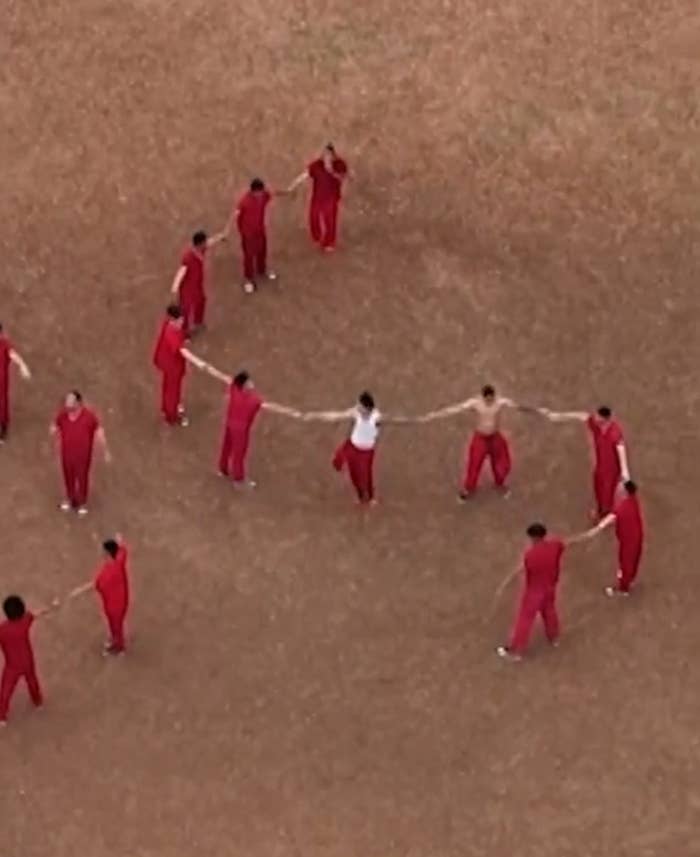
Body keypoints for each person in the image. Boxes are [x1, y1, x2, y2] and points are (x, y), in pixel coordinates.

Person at [196, 365, 301, 486]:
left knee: (226, 447)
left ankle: (222, 469)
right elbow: (271, 406)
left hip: (229, 424)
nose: (251, 382)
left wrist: (206, 368)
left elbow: (224, 377)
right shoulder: (253, 399)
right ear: (244, 385)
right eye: (249, 381)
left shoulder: (234, 389)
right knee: (239, 454)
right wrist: (292, 412)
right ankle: (238, 479)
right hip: (241, 430)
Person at [422, 385, 531, 499]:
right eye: (487, 399)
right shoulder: (475, 403)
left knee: (501, 463)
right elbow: (455, 409)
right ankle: (468, 489)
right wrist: (433, 415)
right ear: (483, 397)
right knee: (474, 464)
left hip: (494, 438)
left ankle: (500, 484)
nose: (489, 401)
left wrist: (543, 412)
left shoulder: (500, 402)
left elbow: (519, 407)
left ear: (494, 396)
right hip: (480, 439)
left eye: (491, 399)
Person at [303, 392, 413, 505]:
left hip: (366, 452)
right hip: (352, 447)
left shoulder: (377, 417)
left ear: (367, 408)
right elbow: (335, 415)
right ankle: (361, 495)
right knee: (353, 474)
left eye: (360, 406)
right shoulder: (355, 413)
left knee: (367, 475)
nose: (357, 408)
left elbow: (398, 421)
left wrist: (420, 420)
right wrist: (313, 415)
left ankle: (371, 498)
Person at [540, 405, 630, 519]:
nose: (595, 418)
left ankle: (605, 513)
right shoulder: (596, 424)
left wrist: (625, 472)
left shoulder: (614, 432)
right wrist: (559, 416)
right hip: (600, 465)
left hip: (611, 469)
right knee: (598, 487)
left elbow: (620, 448)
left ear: (604, 419)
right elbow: (581, 416)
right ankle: (604, 510)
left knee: (607, 491)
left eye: (598, 417)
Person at [495, 523, 567, 661]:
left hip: (534, 591)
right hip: (550, 586)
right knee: (550, 611)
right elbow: (562, 546)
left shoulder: (530, 555)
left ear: (533, 537)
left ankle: (516, 650)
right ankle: (554, 637)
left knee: (525, 619)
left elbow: (526, 569)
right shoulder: (555, 545)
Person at [574, 480, 644, 596]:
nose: (618, 490)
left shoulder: (622, 508)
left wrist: (594, 531)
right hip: (637, 535)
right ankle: (628, 580)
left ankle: (623, 589)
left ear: (625, 492)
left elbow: (609, 520)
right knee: (632, 560)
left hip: (628, 540)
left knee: (625, 561)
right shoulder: (633, 500)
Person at [0, 594, 60, 726]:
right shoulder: (25, 621)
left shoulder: (2, 630)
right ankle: (37, 702)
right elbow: (38, 612)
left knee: (5, 690)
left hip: (12, 666)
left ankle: (2, 716)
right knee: (32, 682)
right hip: (27, 661)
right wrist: (53, 605)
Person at [224, 178, 288, 294]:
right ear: (253, 191)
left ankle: (262, 270)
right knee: (249, 255)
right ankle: (248, 279)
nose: (261, 194)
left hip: (260, 229)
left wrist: (286, 192)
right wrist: (226, 231)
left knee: (262, 250)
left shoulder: (264, 195)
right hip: (247, 232)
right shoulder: (244, 201)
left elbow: (273, 192)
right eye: (259, 192)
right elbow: (235, 215)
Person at [68, 535, 130, 654]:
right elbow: (122, 549)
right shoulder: (119, 559)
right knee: (117, 625)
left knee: (115, 626)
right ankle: (116, 641)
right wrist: (119, 540)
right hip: (122, 600)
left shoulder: (107, 573)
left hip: (113, 606)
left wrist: (78, 591)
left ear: (108, 553)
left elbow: (94, 585)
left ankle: (118, 645)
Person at [50, 391, 110, 515]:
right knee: (68, 476)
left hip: (83, 455)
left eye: (70, 401)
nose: (67, 404)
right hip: (66, 453)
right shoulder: (63, 416)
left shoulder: (89, 417)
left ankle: (82, 503)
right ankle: (69, 500)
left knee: (82, 477)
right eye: (67, 401)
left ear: (78, 403)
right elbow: (54, 427)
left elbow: (99, 432)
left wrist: (105, 450)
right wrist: (54, 431)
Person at [152, 304, 208, 426]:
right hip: (172, 366)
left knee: (168, 388)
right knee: (173, 391)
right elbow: (183, 352)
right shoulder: (171, 334)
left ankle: (167, 409)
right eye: (180, 320)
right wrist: (198, 362)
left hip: (168, 362)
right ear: (173, 319)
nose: (182, 322)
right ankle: (172, 416)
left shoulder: (170, 326)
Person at [287, 143, 349, 251]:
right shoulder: (316, 165)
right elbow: (305, 174)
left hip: (331, 197)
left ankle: (329, 242)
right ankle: (317, 236)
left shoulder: (339, 165)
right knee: (313, 216)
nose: (326, 158)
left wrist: (331, 171)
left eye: (329, 155)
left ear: (333, 156)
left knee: (329, 219)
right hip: (318, 196)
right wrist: (293, 185)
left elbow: (344, 177)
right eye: (325, 155)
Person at [169, 230, 226, 336]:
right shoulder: (188, 257)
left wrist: (219, 237)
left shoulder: (200, 249)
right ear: (199, 244)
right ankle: (184, 333)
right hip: (187, 290)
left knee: (201, 301)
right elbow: (180, 274)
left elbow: (210, 242)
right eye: (204, 242)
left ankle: (198, 322)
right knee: (185, 310)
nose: (206, 244)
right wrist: (174, 290)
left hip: (197, 285)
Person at [0, 323, 32, 442]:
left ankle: (3, 430)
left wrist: (23, 366)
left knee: (2, 406)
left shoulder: (4, 345)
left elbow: (14, 356)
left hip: (1, 382)